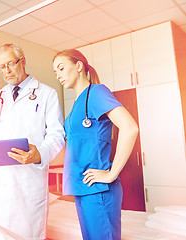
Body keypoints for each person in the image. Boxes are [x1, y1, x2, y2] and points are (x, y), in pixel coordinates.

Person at [0, 43, 65, 239]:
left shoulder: (46, 94)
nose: (6, 71)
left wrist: (39, 154)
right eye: (2, 66)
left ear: (23, 62)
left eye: (10, 64)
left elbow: (57, 136)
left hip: (28, 182)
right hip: (1, 183)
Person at [52, 49, 139, 240]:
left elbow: (130, 128)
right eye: (55, 72)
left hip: (99, 188)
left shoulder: (97, 92)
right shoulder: (76, 104)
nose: (58, 75)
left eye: (61, 68)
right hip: (82, 187)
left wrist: (111, 174)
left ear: (79, 66)